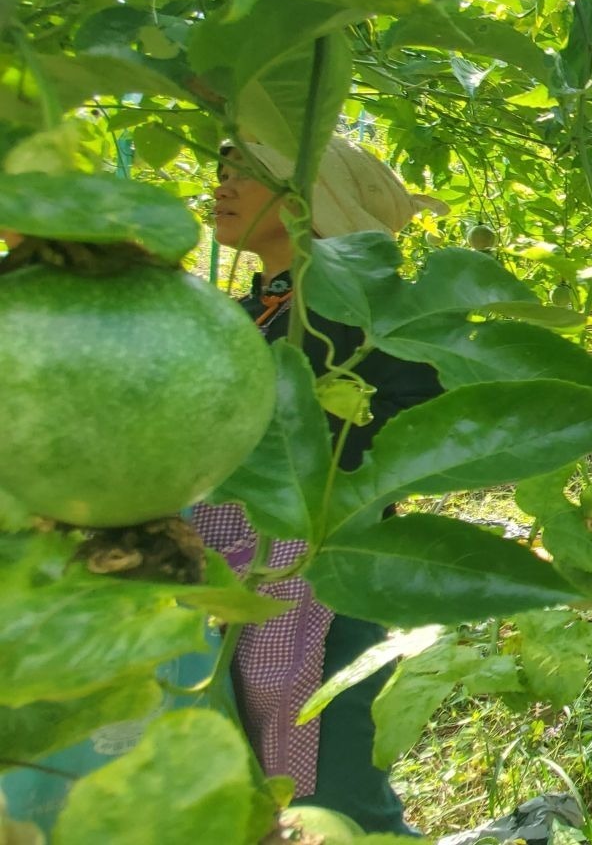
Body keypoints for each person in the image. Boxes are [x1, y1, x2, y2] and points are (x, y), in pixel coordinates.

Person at [191, 135, 446, 833]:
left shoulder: (364, 323)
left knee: (336, 801)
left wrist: (328, 449)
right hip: (222, 588)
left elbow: (423, 419)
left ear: (311, 198)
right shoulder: (245, 318)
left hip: (321, 587)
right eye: (223, 166)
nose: (222, 181)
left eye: (247, 168)